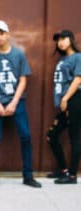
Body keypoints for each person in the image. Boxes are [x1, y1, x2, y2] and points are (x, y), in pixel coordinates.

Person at [0, 20, 41, 188]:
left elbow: (23, 80)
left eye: (1, 33)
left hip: (17, 101)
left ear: (8, 34)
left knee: (26, 136)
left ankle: (28, 176)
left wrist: (14, 102)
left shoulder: (19, 54)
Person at [46, 30, 81, 184]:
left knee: (74, 138)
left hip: (74, 100)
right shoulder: (62, 59)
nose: (60, 42)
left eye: (63, 38)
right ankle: (63, 170)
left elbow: (78, 79)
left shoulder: (78, 57)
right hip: (65, 104)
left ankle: (72, 176)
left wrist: (66, 99)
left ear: (71, 39)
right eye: (58, 39)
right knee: (51, 136)